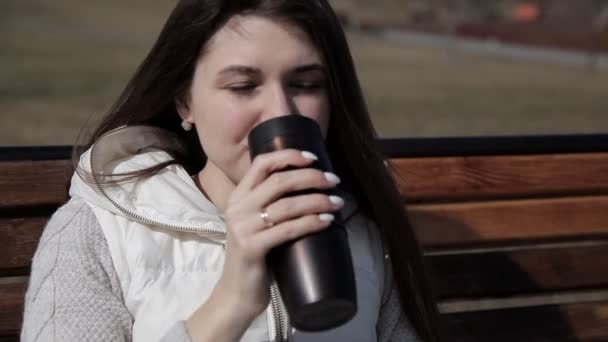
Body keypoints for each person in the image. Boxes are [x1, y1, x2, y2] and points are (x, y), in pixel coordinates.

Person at [21, 1, 441, 341]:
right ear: (184, 101)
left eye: (305, 84)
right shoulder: (97, 230)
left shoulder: (364, 229)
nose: (280, 112)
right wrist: (231, 303)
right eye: (242, 86)